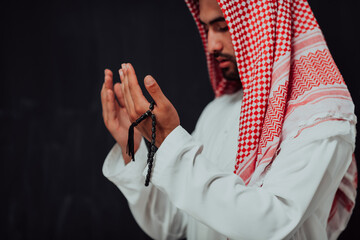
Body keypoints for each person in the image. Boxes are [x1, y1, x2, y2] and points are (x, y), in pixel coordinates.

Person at [100, 0, 357, 239]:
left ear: (265, 23)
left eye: (223, 27)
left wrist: (169, 140)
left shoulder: (320, 119)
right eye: (206, 28)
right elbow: (175, 224)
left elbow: (269, 227)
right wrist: (131, 145)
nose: (212, 44)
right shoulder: (218, 110)